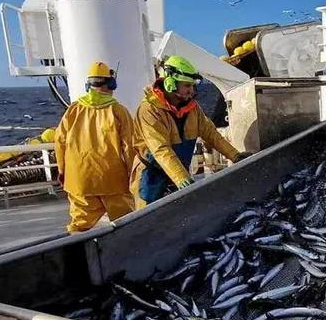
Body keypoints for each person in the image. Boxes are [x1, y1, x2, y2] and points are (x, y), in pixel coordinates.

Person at [132, 55, 251, 207]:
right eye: (187, 86)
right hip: (150, 175)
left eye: (193, 86)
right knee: (148, 219)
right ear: (170, 84)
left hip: (178, 171)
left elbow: (211, 134)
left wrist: (235, 155)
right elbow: (160, 149)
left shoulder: (192, 108)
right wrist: (181, 178)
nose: (192, 91)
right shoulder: (149, 110)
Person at [54, 62, 137, 232]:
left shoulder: (73, 110)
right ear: (111, 84)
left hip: (79, 180)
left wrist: (62, 171)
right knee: (125, 224)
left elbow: (59, 141)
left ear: (88, 85)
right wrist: (133, 175)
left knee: (78, 225)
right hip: (112, 180)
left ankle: (76, 253)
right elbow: (129, 146)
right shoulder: (118, 111)